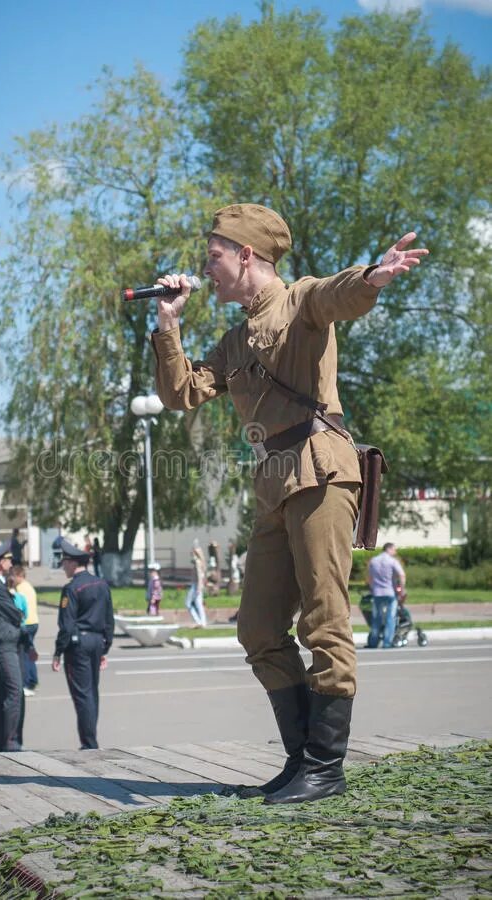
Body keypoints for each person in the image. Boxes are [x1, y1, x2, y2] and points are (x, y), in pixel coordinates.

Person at [151, 203, 428, 803]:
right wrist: (168, 324)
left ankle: (325, 768)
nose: (208, 268)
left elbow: (338, 295)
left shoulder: (299, 299)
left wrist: (373, 277)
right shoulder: (232, 340)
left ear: (246, 255)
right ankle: (303, 759)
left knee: (323, 619)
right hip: (275, 478)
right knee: (256, 628)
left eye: (215, 256)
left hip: (321, 468)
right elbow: (180, 394)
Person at [51, 540, 114, 750]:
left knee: (82, 695)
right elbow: (108, 619)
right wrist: (105, 647)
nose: (63, 566)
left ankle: (89, 744)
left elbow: (66, 625)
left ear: (73, 562)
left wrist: (58, 651)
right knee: (92, 692)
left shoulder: (71, 589)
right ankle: (90, 740)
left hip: (78, 644)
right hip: (97, 641)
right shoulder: (101, 584)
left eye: (64, 562)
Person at [0, 540, 37, 752]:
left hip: (7, 642)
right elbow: (15, 612)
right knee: (15, 692)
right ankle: (11, 743)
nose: (10, 563)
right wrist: (17, 614)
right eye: (8, 559)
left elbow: (12, 611)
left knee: (3, 692)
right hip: (5, 642)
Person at [367, 543, 406, 649]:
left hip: (377, 593)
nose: (395, 552)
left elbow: (370, 578)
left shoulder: (374, 561)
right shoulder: (392, 561)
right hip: (390, 593)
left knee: (376, 618)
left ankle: (373, 642)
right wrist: (402, 590)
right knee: (390, 618)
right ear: (388, 549)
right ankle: (387, 642)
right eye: (394, 549)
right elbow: (402, 575)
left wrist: (372, 588)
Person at [13, 565, 40, 695]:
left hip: (26, 623)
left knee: (23, 654)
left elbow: (18, 607)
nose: (12, 579)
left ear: (19, 576)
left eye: (13, 576)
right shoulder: (29, 587)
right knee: (29, 651)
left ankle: (27, 681)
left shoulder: (19, 589)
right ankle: (33, 679)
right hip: (34, 622)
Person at [185, 539, 207, 627]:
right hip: (198, 585)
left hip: (196, 586)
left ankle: (199, 621)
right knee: (198, 604)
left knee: (188, 603)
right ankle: (202, 622)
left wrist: (199, 587)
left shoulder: (197, 562)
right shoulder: (199, 562)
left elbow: (199, 576)